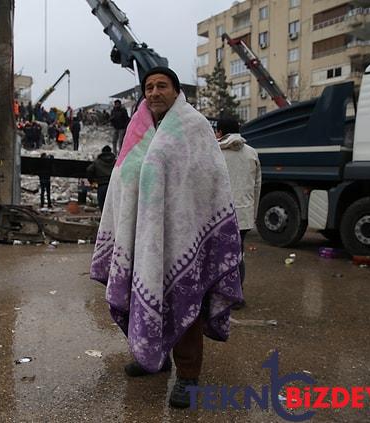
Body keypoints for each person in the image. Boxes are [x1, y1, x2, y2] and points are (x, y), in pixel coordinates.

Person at [89, 67, 242, 409]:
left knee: (183, 303)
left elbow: (209, 181)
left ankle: (188, 376)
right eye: (149, 87)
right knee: (143, 297)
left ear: (175, 91)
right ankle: (153, 357)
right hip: (142, 236)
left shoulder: (194, 125)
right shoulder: (136, 129)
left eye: (162, 86)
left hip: (181, 234)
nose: (154, 92)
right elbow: (123, 180)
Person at [216, 114, 261, 311]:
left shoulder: (215, 153)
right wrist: (253, 213)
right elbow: (257, 186)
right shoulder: (252, 153)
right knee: (238, 254)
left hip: (220, 215)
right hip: (243, 215)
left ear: (219, 132)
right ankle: (237, 295)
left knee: (217, 254)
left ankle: (218, 294)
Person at [86, 146, 115, 210]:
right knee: (112, 209)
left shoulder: (97, 162)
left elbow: (89, 170)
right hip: (113, 187)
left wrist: (92, 181)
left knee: (103, 209)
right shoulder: (115, 161)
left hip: (102, 186)